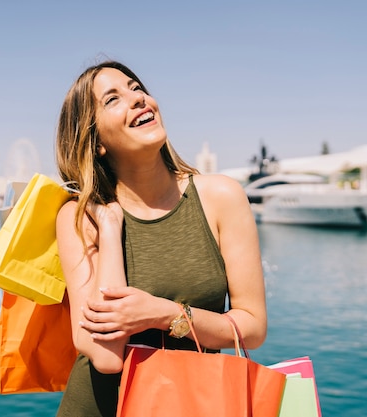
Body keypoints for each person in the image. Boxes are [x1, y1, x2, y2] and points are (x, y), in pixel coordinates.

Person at [54, 60, 267, 417]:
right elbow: (106, 356)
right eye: (113, 99)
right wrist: (109, 229)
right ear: (97, 142)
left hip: (195, 403)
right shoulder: (79, 216)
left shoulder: (222, 197)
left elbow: (253, 328)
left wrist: (165, 315)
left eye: (137, 88)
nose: (138, 99)